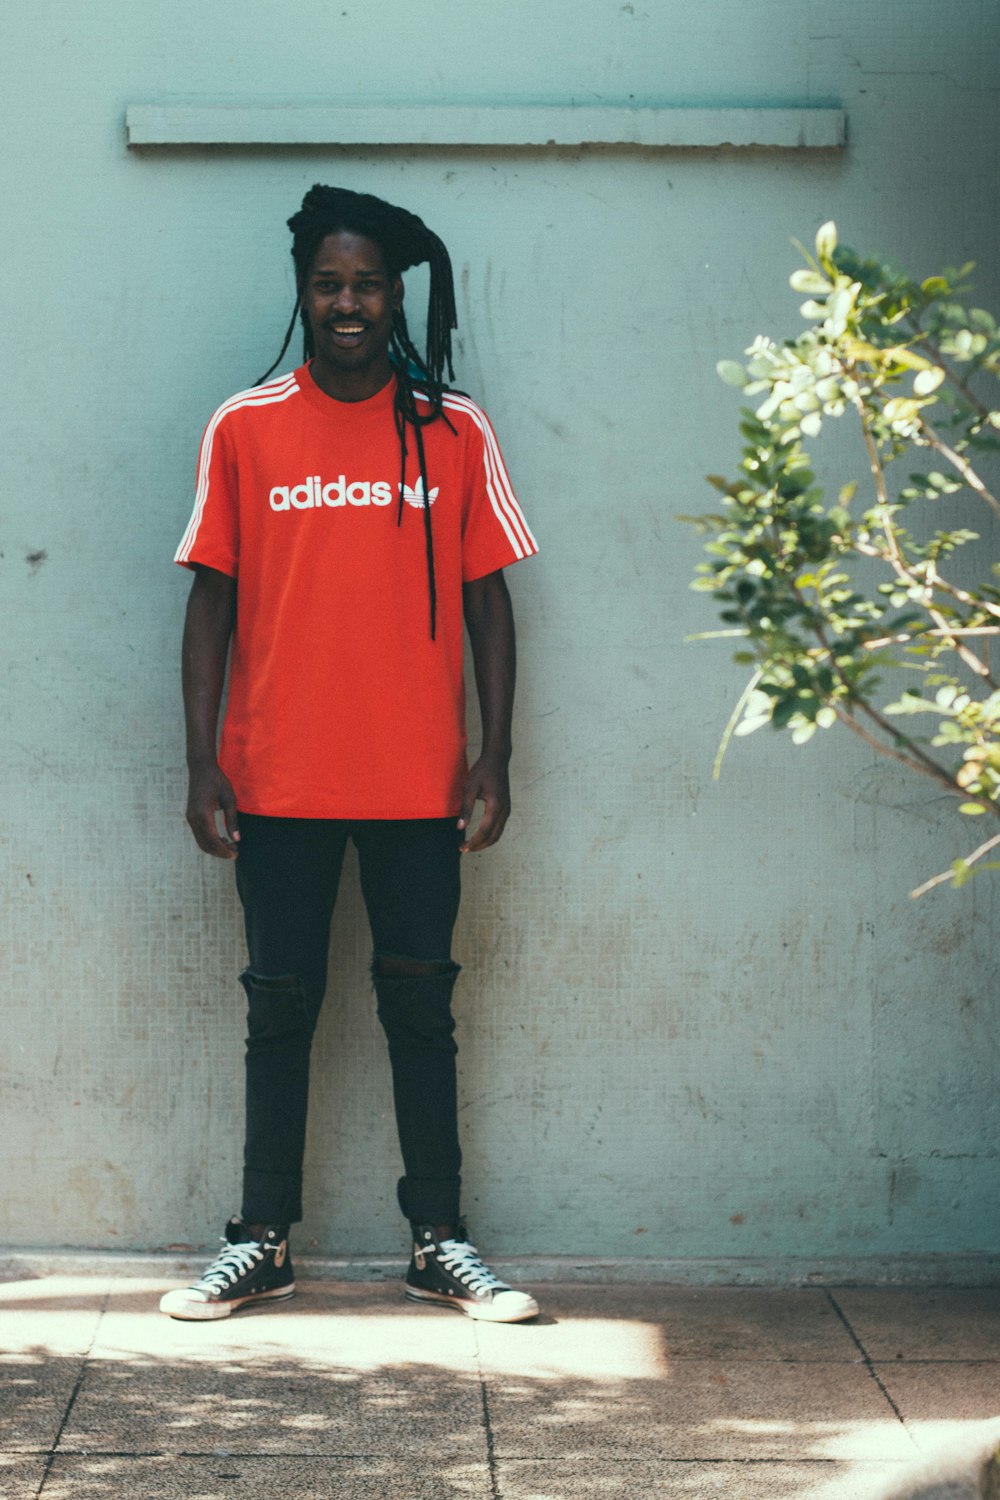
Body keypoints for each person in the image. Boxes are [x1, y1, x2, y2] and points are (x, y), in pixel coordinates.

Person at [159, 185, 539, 1324]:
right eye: (328, 283)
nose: (348, 303)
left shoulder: (453, 431)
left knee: (420, 1009)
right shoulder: (245, 426)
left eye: (367, 283)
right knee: (279, 1008)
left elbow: (492, 605)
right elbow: (208, 606)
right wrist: (200, 763)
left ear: (396, 295)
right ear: (302, 293)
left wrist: (494, 758)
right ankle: (260, 1239)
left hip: (418, 782)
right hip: (278, 779)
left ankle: (440, 1240)